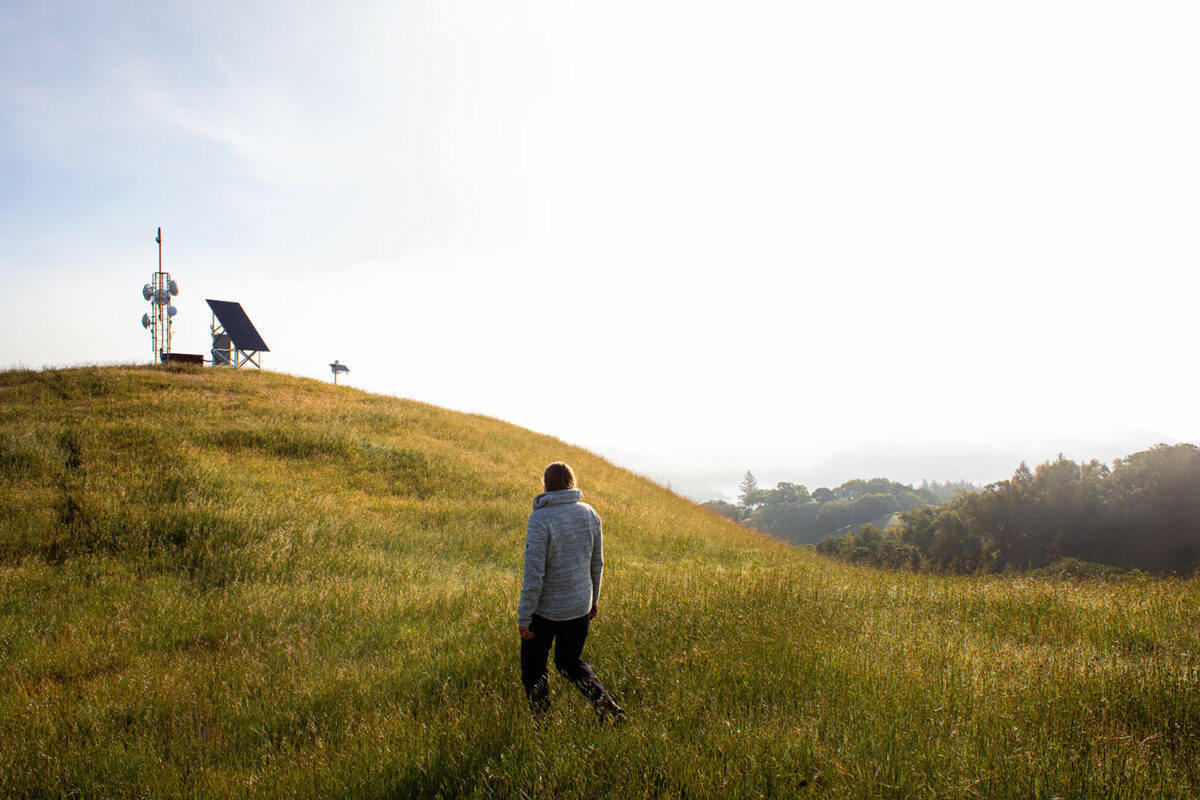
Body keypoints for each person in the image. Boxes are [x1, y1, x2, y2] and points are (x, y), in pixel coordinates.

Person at [517, 461, 623, 721]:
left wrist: (524, 616)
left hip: (546, 612)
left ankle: (542, 725)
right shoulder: (590, 514)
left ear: (546, 484)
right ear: (571, 483)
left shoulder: (540, 518)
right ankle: (607, 708)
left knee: (533, 669)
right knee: (569, 664)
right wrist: (593, 601)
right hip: (579, 607)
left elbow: (534, 574)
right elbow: (596, 564)